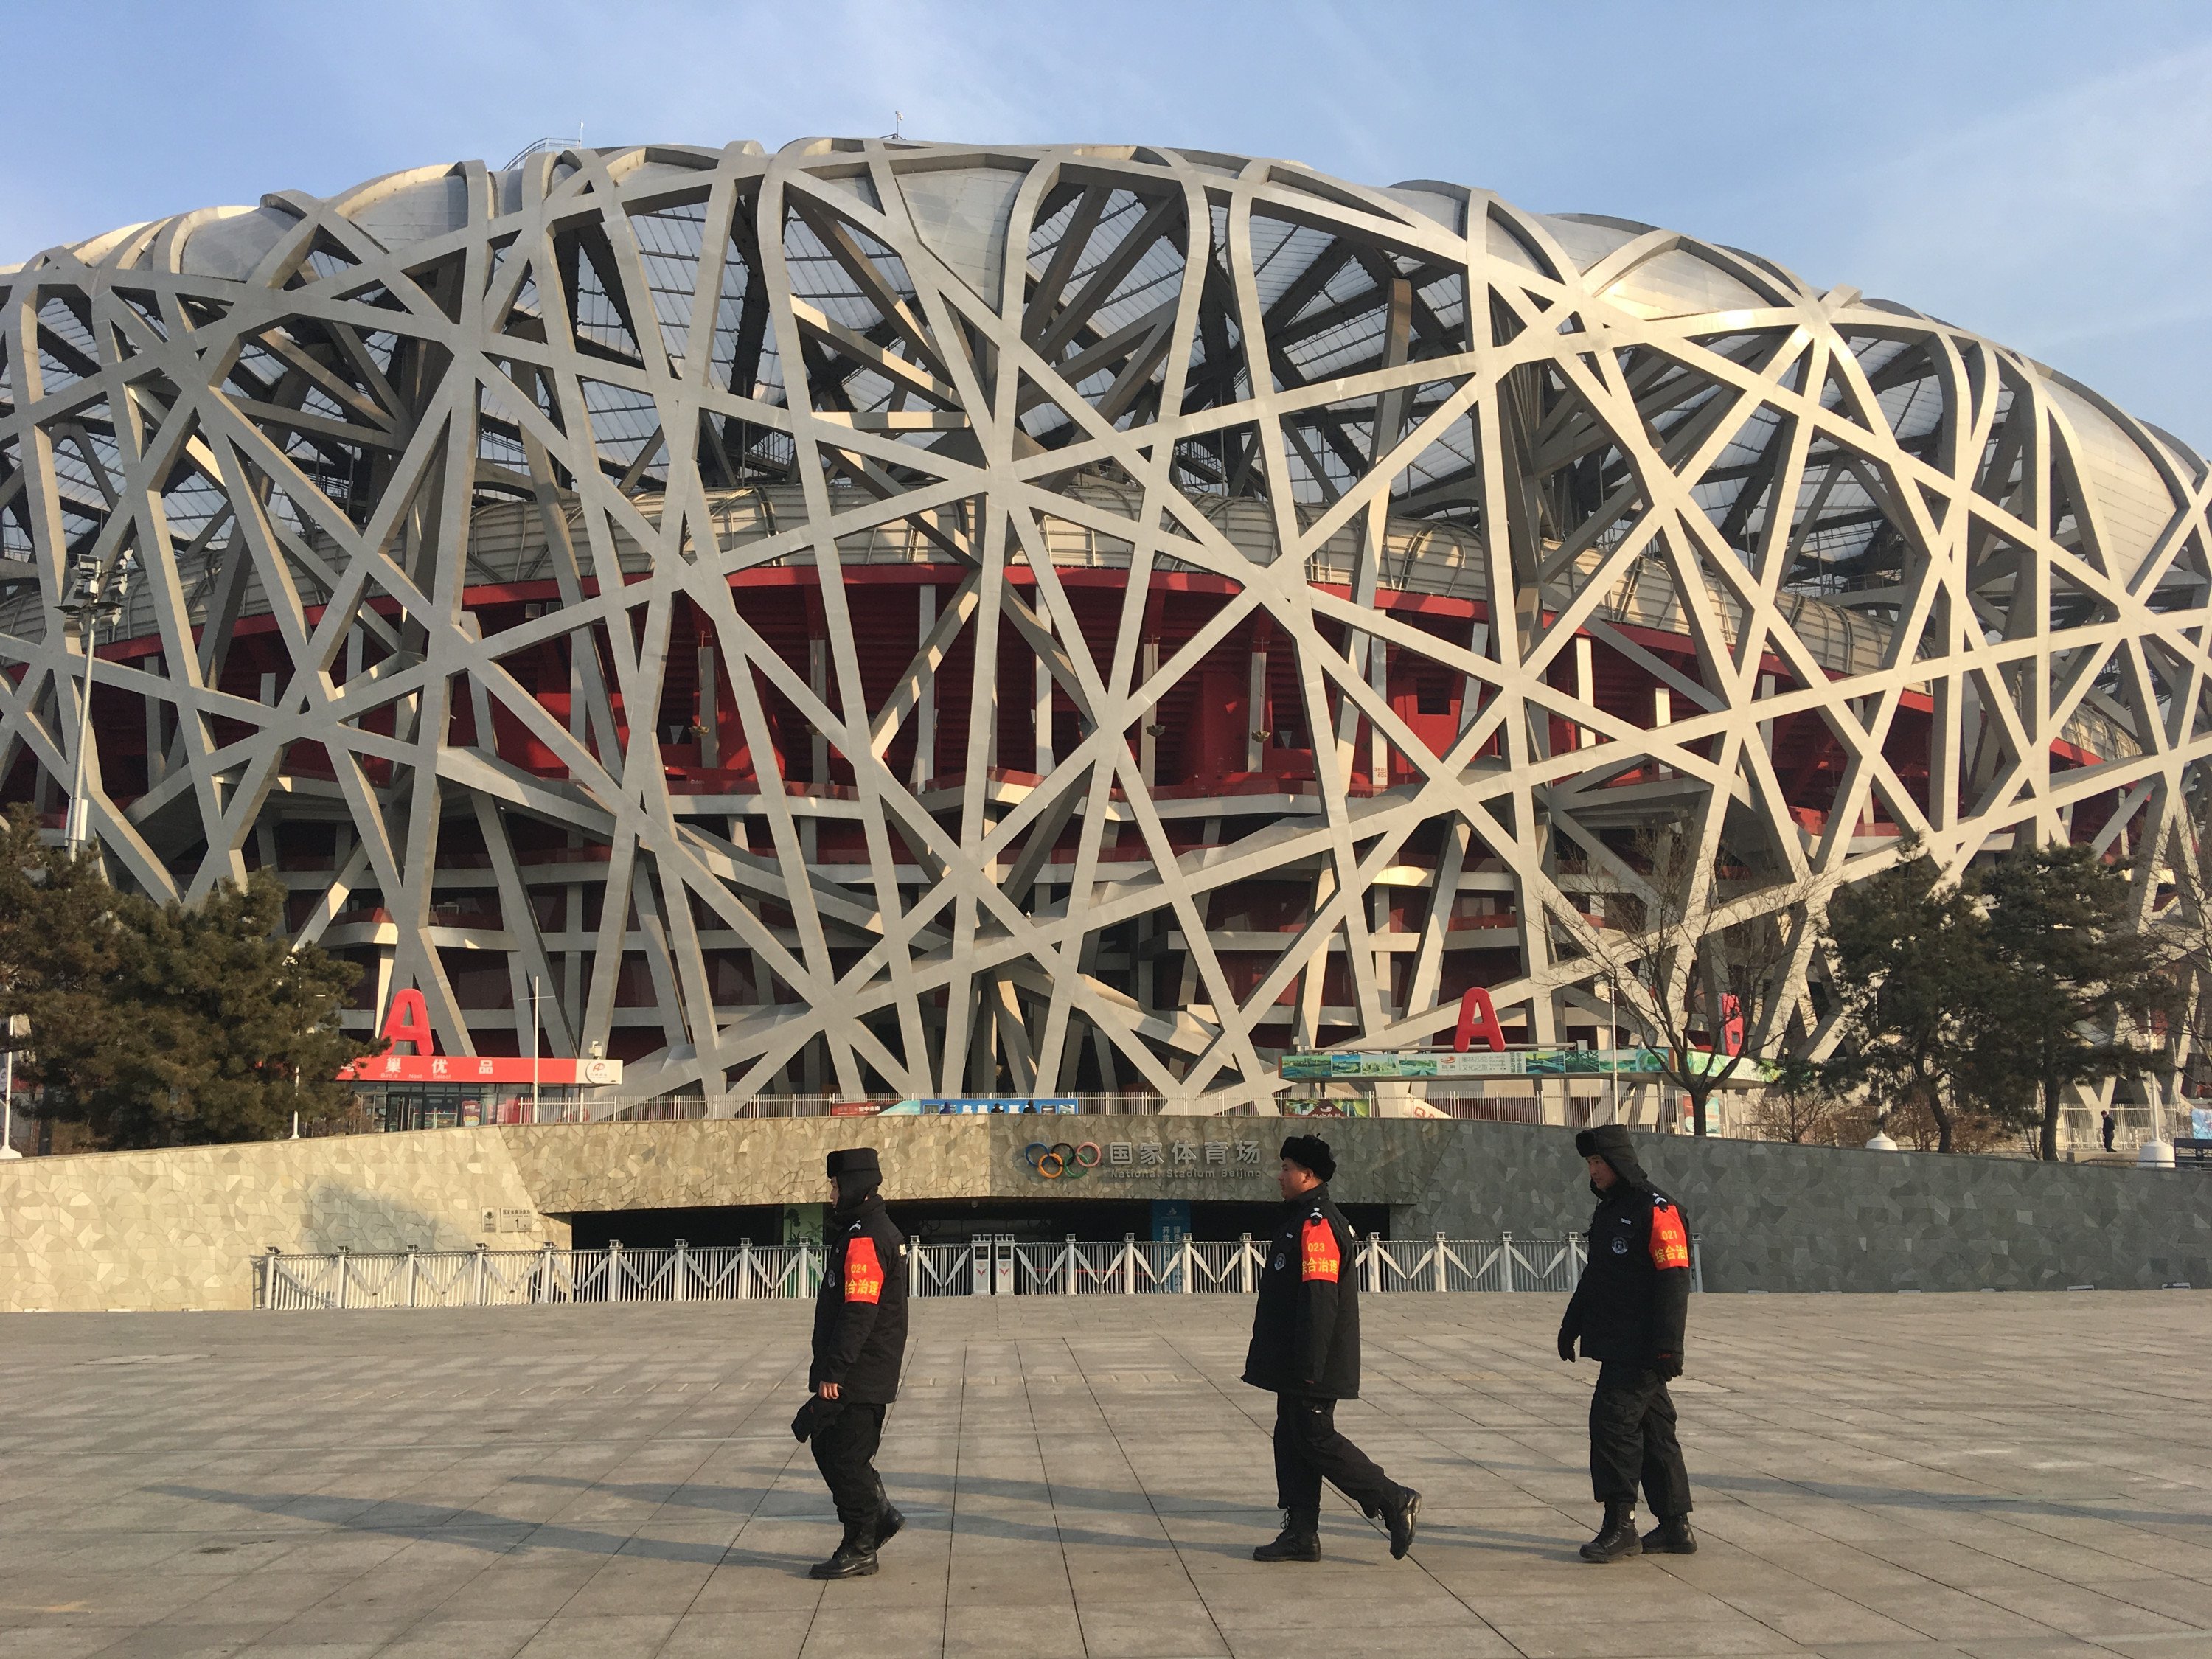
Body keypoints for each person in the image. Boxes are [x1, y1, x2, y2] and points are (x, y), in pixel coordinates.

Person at [1242, 1133, 1421, 1563]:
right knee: (1293, 1438)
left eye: (1286, 1168)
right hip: (1296, 1359)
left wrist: (1310, 1365)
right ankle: (1302, 1533)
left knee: (1315, 1437)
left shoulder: (1317, 1224)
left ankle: (1393, 1498)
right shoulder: (1299, 1218)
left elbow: (1320, 1299)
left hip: (1311, 1361)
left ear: (1307, 1175)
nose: (1279, 1175)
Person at [1557, 1124, 1696, 1562]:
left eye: (1599, 1162)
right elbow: (1596, 1275)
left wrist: (1669, 1347)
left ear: (1619, 1162)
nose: (1594, 1171)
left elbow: (1674, 1281)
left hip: (1642, 1348)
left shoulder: (1657, 1209)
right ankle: (1675, 1526)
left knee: (1612, 1427)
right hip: (1616, 1342)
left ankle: (1621, 1526)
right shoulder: (1611, 1209)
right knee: (1655, 1432)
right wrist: (1571, 1323)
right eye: (1590, 1164)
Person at [797, 1146, 910, 1579]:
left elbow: (858, 1312)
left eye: (837, 1185)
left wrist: (834, 1372)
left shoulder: (865, 1237)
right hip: (863, 1369)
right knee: (831, 1446)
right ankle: (878, 1516)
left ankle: (862, 1543)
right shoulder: (868, 1230)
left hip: (859, 1373)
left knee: (844, 1457)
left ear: (856, 1186)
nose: (831, 1194)